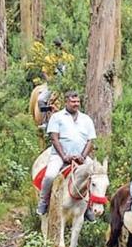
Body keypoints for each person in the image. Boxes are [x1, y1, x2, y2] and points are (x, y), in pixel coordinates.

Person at [36, 90, 97, 221]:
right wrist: (64, 156)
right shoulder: (57, 117)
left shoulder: (86, 119)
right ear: (66, 102)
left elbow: (90, 140)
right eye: (73, 101)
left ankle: (89, 207)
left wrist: (83, 156)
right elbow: (54, 138)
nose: (76, 104)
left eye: (78, 101)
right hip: (60, 155)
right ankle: (43, 201)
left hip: (81, 155)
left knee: (96, 176)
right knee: (50, 175)